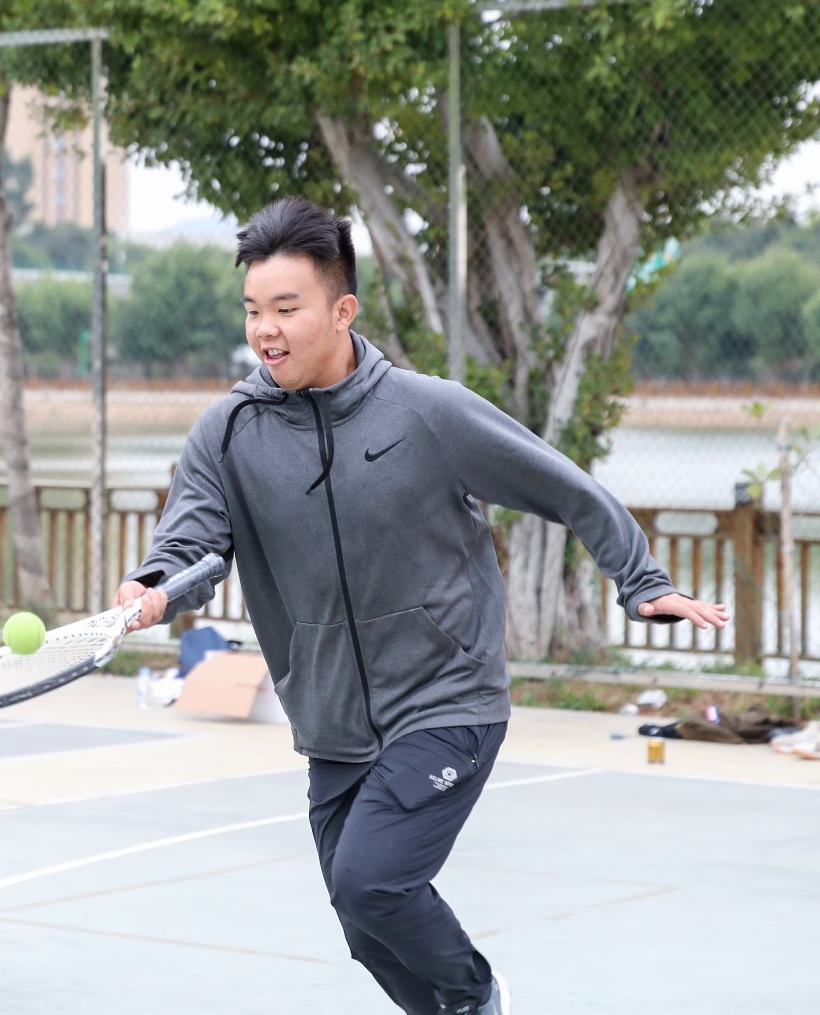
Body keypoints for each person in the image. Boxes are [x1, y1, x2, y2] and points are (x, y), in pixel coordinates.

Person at [115, 197, 727, 1015]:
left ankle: (479, 998)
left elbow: (566, 487)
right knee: (362, 923)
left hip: (447, 701)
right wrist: (154, 586)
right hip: (332, 721)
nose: (266, 330)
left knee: (372, 883)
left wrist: (642, 581)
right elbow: (192, 542)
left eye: (287, 308)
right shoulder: (227, 434)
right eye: (254, 310)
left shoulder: (425, 411)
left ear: (343, 311)